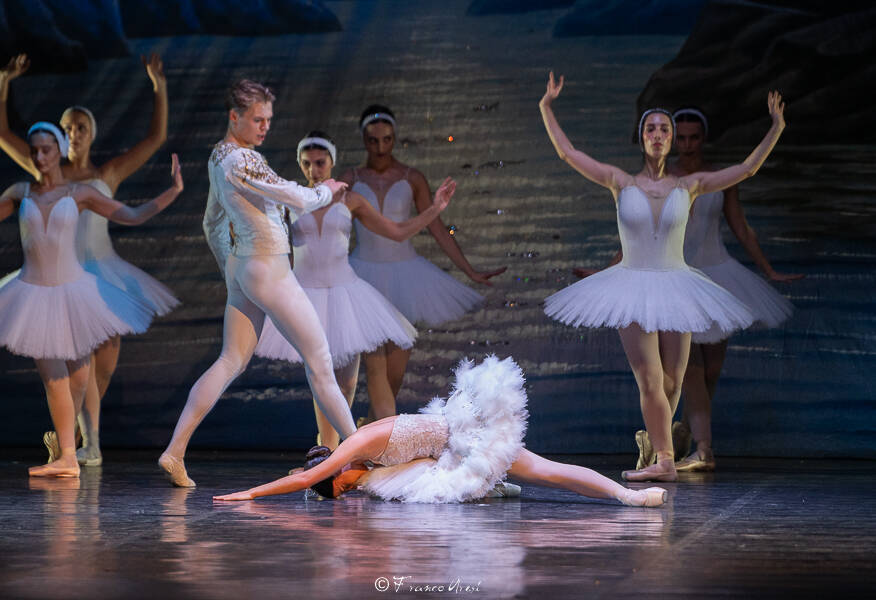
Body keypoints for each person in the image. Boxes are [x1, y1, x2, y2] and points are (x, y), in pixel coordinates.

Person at [539, 71, 786, 481]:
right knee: (650, 378)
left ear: (671, 140)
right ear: (642, 138)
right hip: (632, 283)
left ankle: (656, 448)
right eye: (651, 128)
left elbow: (747, 168)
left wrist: (776, 126)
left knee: (672, 383)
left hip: (677, 284)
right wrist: (546, 106)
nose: (658, 134)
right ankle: (667, 463)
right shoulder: (619, 181)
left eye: (664, 129)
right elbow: (568, 153)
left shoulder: (690, 185)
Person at [158, 80, 357, 487]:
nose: (265, 127)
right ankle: (359, 455)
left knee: (230, 360)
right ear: (235, 117)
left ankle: (175, 451)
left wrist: (230, 270)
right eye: (257, 119)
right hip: (267, 268)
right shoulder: (242, 161)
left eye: (268, 119)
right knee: (320, 362)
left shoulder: (219, 156)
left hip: (245, 267)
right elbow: (295, 197)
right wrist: (327, 190)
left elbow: (211, 221)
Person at [0, 53, 176, 467]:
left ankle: (78, 437)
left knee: (100, 370)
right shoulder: (44, 171)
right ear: (59, 137)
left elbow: (154, 139)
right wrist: (3, 81)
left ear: (92, 132)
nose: (75, 133)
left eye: (81, 127)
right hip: (59, 276)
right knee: (72, 366)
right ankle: (81, 445)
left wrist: (158, 86)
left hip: (101, 270)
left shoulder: (105, 175)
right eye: (68, 128)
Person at [213, 355, 668, 507]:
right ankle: (498, 488)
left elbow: (300, 480)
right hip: (450, 446)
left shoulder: (354, 447)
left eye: (341, 486)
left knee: (545, 471)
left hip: (463, 431)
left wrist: (248, 494)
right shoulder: (368, 468)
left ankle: (629, 498)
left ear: (336, 473)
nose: (350, 489)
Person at [255, 131, 456, 449]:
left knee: (346, 380)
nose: (314, 170)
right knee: (320, 375)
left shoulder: (351, 200)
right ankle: (328, 452)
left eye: (320, 163)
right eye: (306, 164)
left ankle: (332, 452)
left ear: (332, 162)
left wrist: (434, 209)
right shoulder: (291, 201)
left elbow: (397, 231)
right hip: (304, 295)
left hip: (344, 293)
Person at [338, 105, 506, 421]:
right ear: (363, 139)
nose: (380, 147)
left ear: (394, 138)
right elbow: (331, 225)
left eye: (386, 139)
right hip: (363, 276)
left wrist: (469, 270)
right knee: (374, 364)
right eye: (373, 140)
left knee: (395, 373)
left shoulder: (411, 177)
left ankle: (371, 429)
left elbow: (437, 228)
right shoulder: (349, 178)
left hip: (405, 276)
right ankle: (383, 440)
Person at [670, 107, 803, 471]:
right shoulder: (663, 178)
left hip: (718, 275)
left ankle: (687, 431)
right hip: (679, 279)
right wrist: (613, 268)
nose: (687, 145)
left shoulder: (720, 176)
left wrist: (768, 270)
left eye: (693, 137)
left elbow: (741, 227)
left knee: (710, 370)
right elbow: (639, 232)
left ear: (704, 138)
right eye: (680, 138)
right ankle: (703, 449)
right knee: (692, 370)